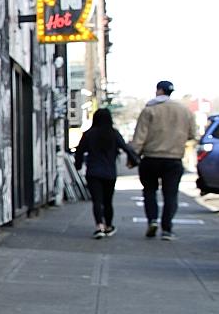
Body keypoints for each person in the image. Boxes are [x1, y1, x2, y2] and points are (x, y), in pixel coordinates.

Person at [131, 80, 194, 240]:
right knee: (171, 195)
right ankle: (167, 229)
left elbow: (140, 136)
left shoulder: (150, 110)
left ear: (159, 90)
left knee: (149, 191)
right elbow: (193, 134)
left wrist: (134, 156)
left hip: (151, 157)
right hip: (174, 158)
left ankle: (152, 220)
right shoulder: (184, 111)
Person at [74, 108, 138, 238]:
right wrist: (134, 161)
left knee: (97, 201)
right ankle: (109, 226)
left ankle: (99, 226)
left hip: (93, 172)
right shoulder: (113, 133)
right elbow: (126, 148)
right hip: (109, 173)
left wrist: (78, 165)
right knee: (108, 201)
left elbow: (79, 151)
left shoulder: (89, 134)